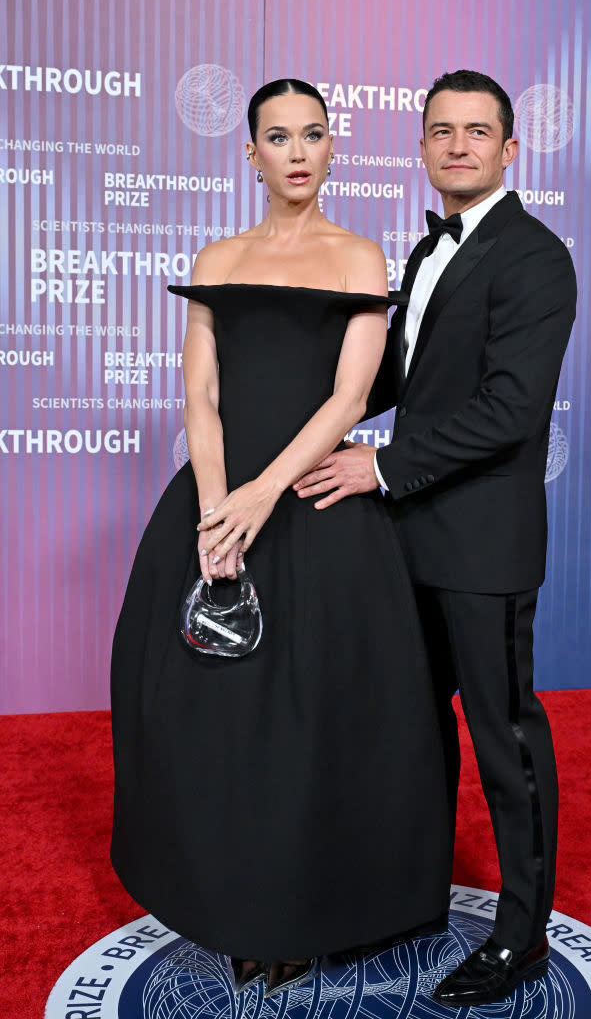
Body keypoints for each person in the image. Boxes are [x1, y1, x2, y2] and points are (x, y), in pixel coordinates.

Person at [109, 78, 453, 1001]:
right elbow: (201, 397)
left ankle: (305, 909)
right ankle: (227, 899)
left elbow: (348, 399)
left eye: (312, 134)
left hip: (318, 505)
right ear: (249, 154)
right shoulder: (218, 256)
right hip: (220, 503)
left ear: (333, 149)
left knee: (314, 722)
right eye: (276, 136)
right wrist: (217, 512)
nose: (295, 150)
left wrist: (264, 495)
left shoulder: (358, 258)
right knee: (216, 718)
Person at [295, 70, 577, 1005]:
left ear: (509, 149)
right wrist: (304, 415)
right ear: (421, 147)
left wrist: (374, 465)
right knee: (405, 734)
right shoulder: (426, 256)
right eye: (441, 131)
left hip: (481, 544)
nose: (458, 145)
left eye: (477, 131)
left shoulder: (535, 258)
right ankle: (403, 899)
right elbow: (403, 377)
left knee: (505, 740)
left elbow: (509, 408)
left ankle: (522, 935)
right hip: (403, 538)